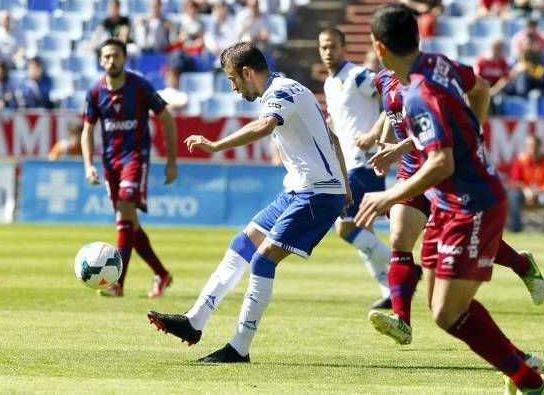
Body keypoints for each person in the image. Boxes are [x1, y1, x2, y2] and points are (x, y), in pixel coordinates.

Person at [354, 3, 544, 394]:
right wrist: (472, 132)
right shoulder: (437, 64)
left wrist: (388, 195)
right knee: (440, 307)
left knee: (448, 314)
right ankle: (521, 368)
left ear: (380, 48)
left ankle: (530, 382)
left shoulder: (417, 95)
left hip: (473, 202)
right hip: (450, 201)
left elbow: (442, 162)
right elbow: (479, 88)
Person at [147, 42, 351, 363]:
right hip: (301, 189)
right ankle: (194, 321)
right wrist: (347, 187)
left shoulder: (280, 92)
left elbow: (265, 125)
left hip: (318, 191)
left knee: (262, 260)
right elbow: (333, 139)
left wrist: (215, 145)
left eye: (232, 80)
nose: (232, 88)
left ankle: (239, 347)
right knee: (243, 243)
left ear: (246, 72)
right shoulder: (288, 89)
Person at [82, 38, 178, 299]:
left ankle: (117, 283)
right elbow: (87, 130)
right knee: (129, 224)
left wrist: (171, 161)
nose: (111, 61)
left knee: (124, 214)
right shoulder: (94, 92)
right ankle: (161, 274)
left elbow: (167, 119)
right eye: (106, 57)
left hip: (135, 159)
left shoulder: (140, 87)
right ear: (100, 60)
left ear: (124, 58)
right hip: (110, 163)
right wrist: (89, 165)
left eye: (116, 56)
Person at [319, 28, 392, 309]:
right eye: (323, 47)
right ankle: (390, 290)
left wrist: (374, 134)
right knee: (364, 229)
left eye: (332, 46)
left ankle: (403, 268)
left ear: (343, 47)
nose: (328, 52)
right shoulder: (330, 83)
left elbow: (392, 100)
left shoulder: (358, 76)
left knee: (344, 227)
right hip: (349, 162)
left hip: (365, 162)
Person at [508, 135, 544, 233]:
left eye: (535, 146)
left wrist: (536, 192)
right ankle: (516, 228)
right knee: (513, 196)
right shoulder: (521, 160)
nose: (533, 149)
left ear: (540, 147)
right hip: (525, 193)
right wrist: (526, 190)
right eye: (530, 146)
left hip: (541, 193)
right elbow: (515, 181)